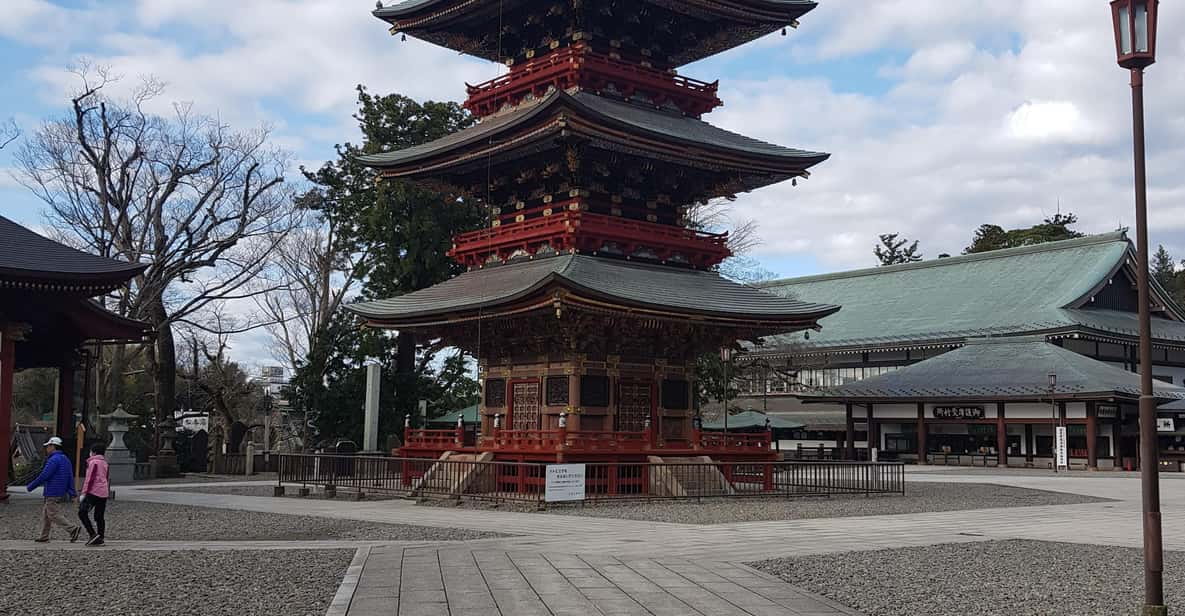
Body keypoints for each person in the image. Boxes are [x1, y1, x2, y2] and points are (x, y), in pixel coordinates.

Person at [26, 436, 81, 543]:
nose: (46, 448)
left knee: (53, 514)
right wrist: (72, 493)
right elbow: (70, 477)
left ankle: (72, 528)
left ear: (52, 446)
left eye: (47, 446)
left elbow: (44, 475)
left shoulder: (53, 460)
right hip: (60, 491)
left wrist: (31, 486)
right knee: (46, 514)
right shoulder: (65, 459)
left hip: (52, 490)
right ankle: (44, 536)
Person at [78, 442, 110, 546]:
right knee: (99, 516)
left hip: (93, 491)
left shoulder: (94, 462)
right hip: (104, 492)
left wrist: (84, 492)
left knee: (82, 512)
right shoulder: (105, 463)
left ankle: (92, 534)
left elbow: (90, 479)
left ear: (94, 452)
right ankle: (101, 536)